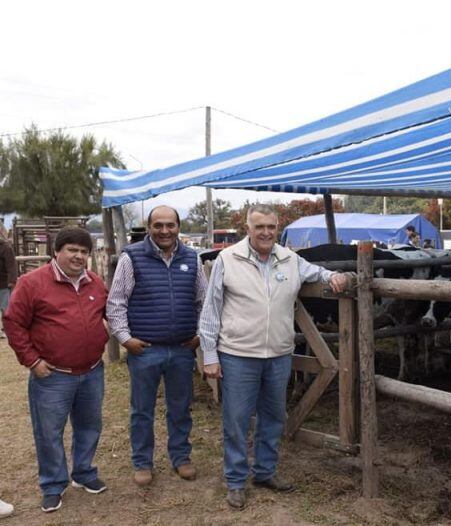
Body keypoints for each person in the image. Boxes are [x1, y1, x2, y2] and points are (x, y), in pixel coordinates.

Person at [200, 204, 349, 510]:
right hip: (238, 354)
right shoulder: (228, 259)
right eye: (259, 227)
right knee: (237, 420)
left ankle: (265, 472)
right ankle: (237, 480)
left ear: (278, 227)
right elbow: (211, 310)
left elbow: (319, 273)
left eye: (271, 226)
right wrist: (210, 355)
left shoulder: (289, 258)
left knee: (273, 418)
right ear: (247, 228)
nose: (266, 232)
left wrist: (338, 275)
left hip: (279, 354)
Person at [4, 227, 109, 513]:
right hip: (53, 376)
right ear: (56, 251)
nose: (78, 256)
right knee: (49, 432)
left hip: (92, 370)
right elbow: (13, 323)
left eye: (84, 252)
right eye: (72, 250)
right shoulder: (32, 283)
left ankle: (84, 473)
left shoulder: (95, 283)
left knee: (89, 426)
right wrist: (32, 361)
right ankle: (52, 484)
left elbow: (109, 312)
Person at [107, 206, 207, 487]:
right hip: (145, 349)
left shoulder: (192, 258)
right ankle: (142, 462)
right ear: (149, 227)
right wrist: (125, 339)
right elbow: (116, 302)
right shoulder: (132, 257)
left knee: (180, 407)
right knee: (142, 410)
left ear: (179, 226)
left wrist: (200, 332)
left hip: (181, 349)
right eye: (158, 225)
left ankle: (181, 457)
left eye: (171, 225)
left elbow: (204, 300)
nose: (165, 231)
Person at [0, 232, 17, 339]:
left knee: (5, 309)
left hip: (3, 284)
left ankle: (6, 330)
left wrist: (12, 281)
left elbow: (11, 265)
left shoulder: (5, 248)